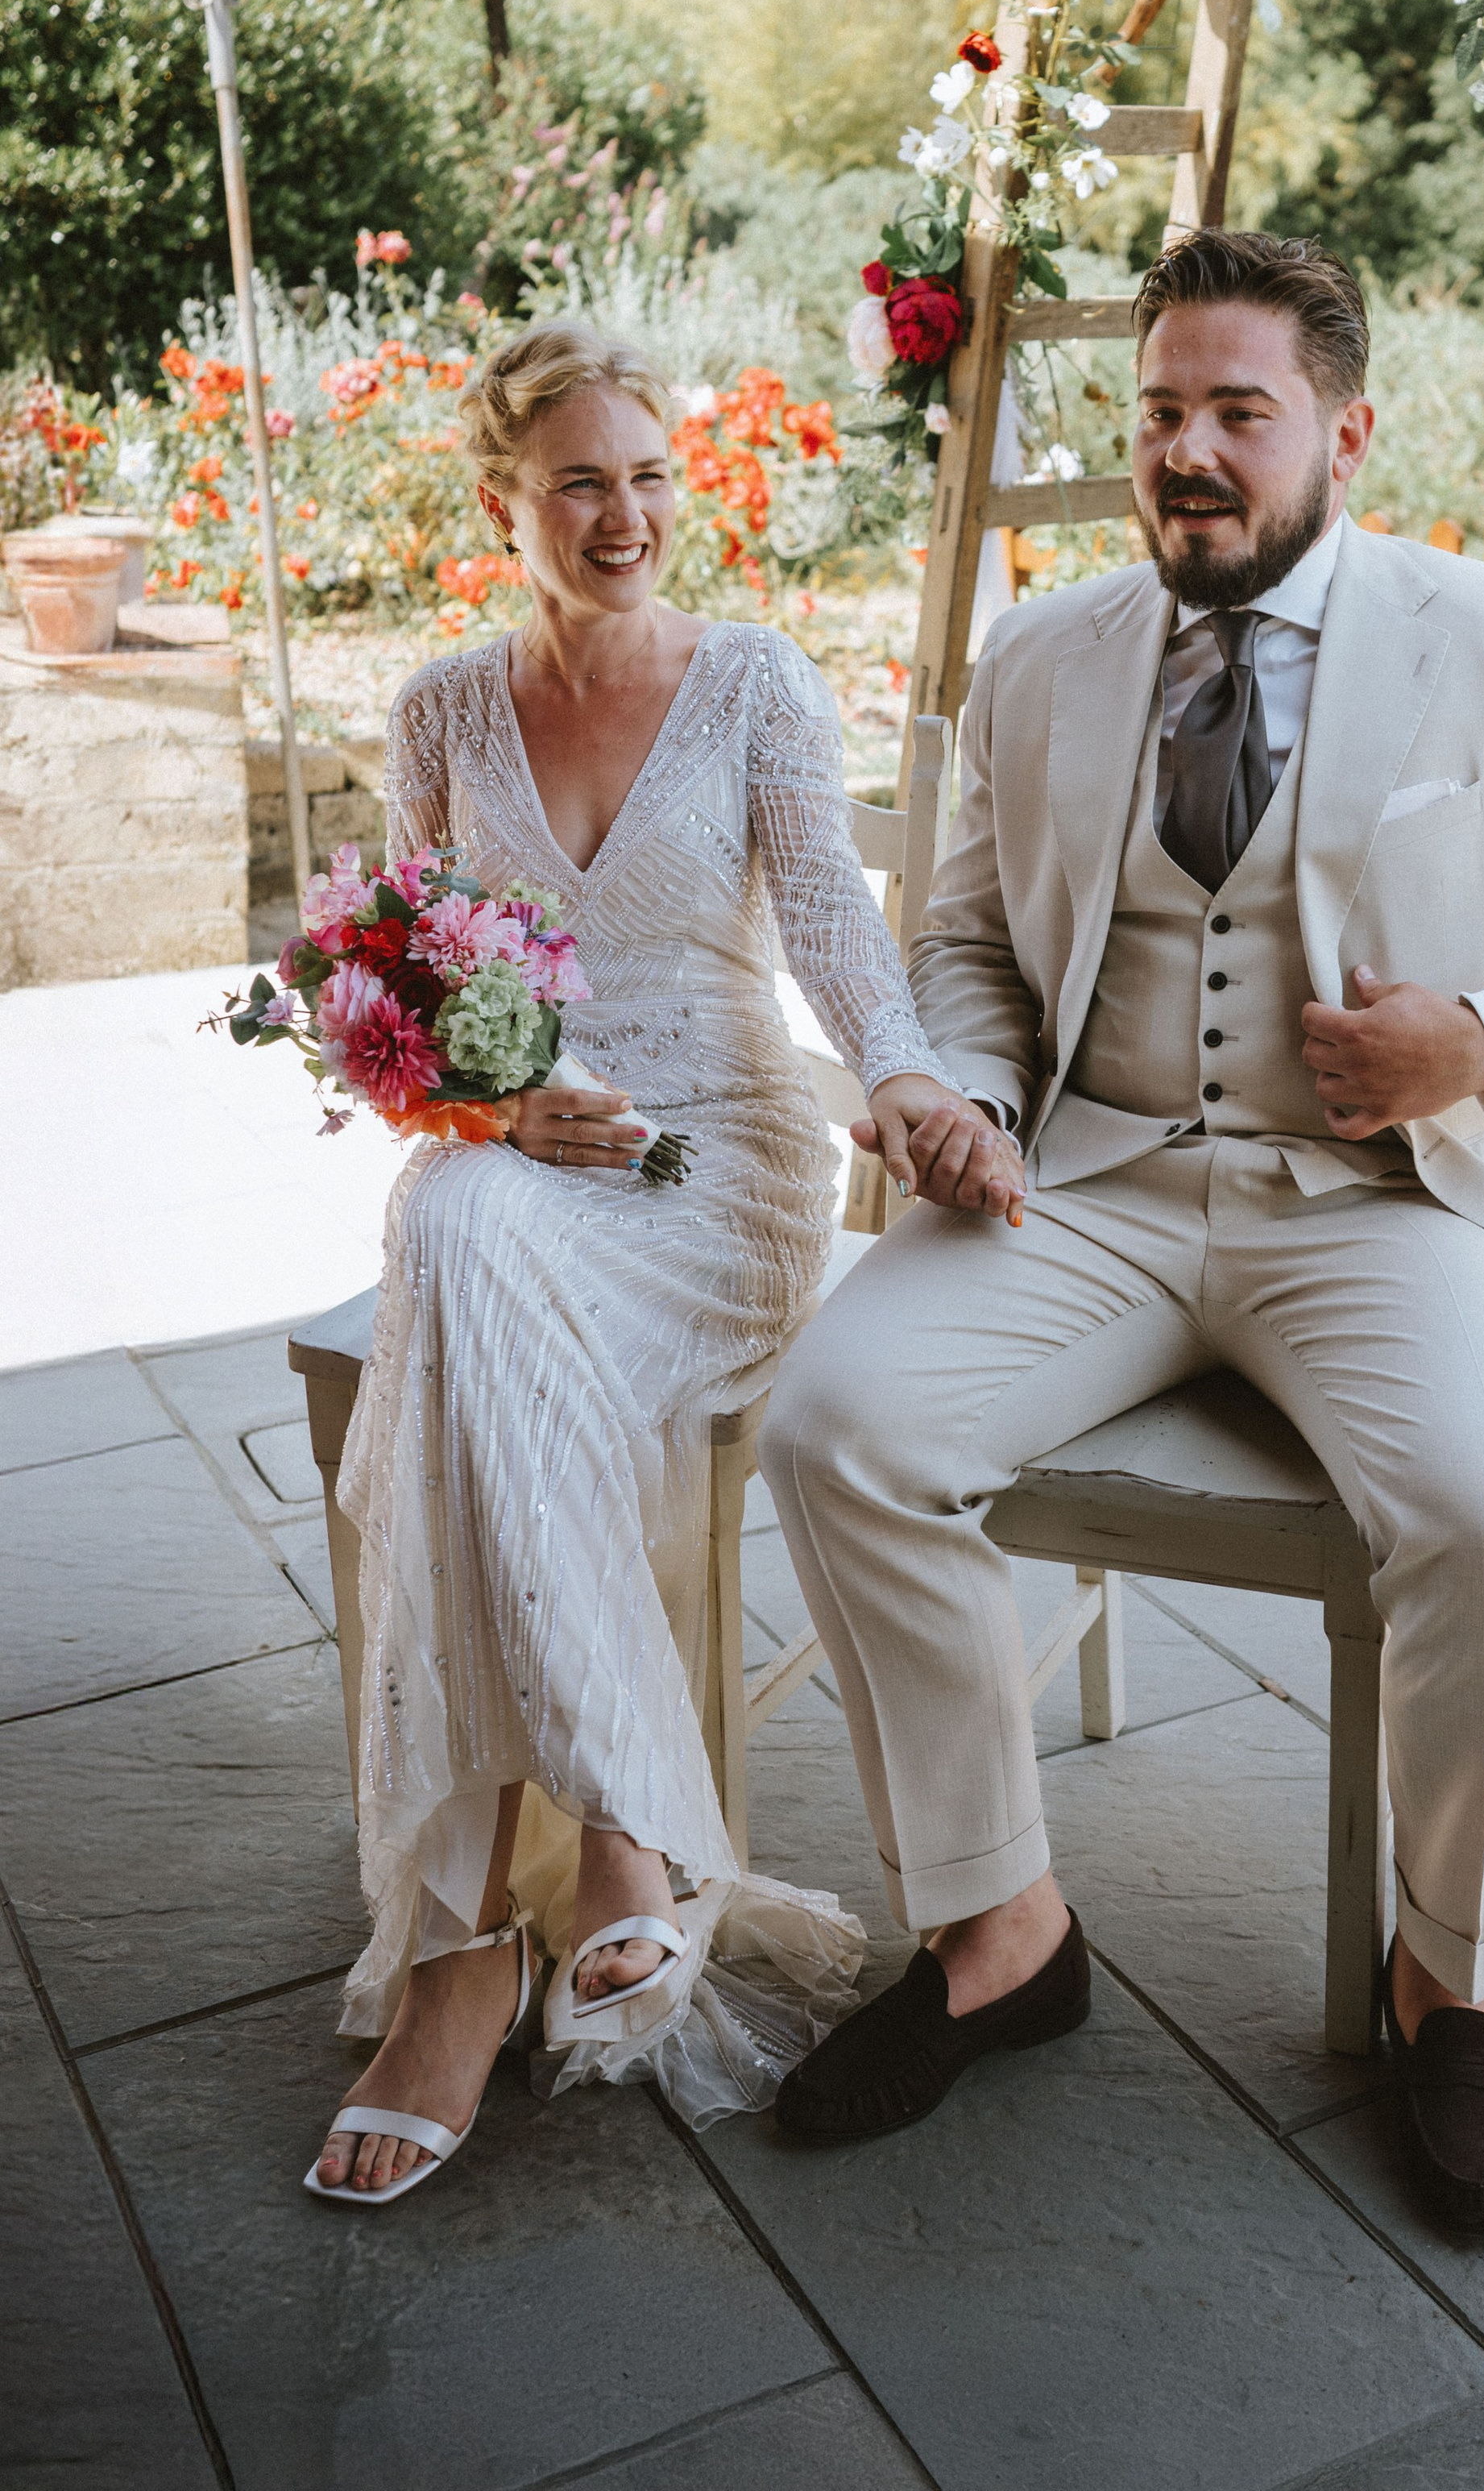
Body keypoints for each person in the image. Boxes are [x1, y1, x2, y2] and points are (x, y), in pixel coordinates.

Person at [761, 229, 1484, 2232]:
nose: (1189, 452)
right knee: (834, 1431)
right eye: (1161, 411)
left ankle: (1444, 1978)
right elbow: (967, 941)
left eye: (1239, 411)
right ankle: (997, 1928)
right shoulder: (1041, 658)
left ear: (1343, 434)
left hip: (1384, 1207)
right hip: (1094, 1184)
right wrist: (964, 1097)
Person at [307, 320, 992, 2203]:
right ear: (500, 503)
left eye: (650, 478)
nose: (625, 518)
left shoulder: (752, 682)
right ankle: (609, 1828)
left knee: (451, 1297)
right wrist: (494, 1104)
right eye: (580, 485)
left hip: (719, 1168)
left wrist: (907, 1078)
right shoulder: (444, 711)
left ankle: (459, 1961)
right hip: (530, 1162)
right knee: (451, 1219)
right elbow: (402, 997)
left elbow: (835, 934)